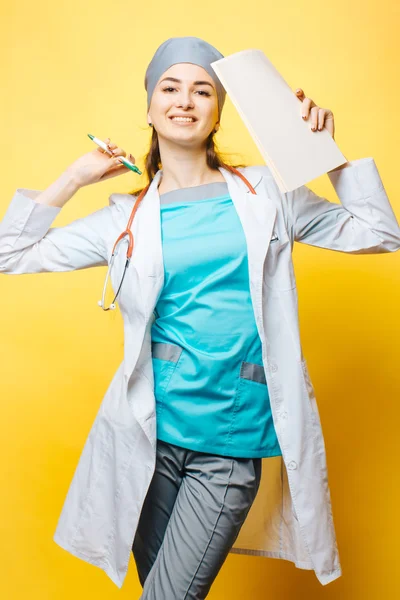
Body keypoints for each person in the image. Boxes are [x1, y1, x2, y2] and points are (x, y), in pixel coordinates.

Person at [1, 36, 399, 598]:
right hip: (148, 443)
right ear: (149, 107)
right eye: (170, 87)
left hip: (229, 444)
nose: (184, 100)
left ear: (218, 111)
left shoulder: (267, 193)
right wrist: (74, 179)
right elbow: (8, 253)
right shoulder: (125, 217)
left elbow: (379, 233)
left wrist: (324, 156)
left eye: (202, 90)